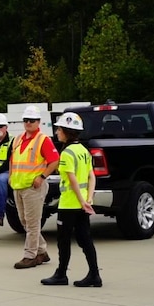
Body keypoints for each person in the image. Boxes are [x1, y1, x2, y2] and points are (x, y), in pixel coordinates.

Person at [41, 112, 102, 287]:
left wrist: (81, 201)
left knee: (64, 240)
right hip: (82, 204)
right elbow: (92, 177)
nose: (57, 132)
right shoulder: (84, 151)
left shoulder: (67, 153)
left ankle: (61, 274)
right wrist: (88, 199)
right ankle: (94, 274)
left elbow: (72, 179)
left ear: (67, 131)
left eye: (59, 129)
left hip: (69, 204)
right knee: (85, 239)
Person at [10, 105, 60, 269]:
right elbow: (13, 160)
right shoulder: (17, 139)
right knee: (25, 221)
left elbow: (54, 160)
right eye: (26, 120)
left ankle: (30, 255)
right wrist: (11, 176)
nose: (28, 123)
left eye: (32, 120)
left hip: (34, 186)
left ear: (38, 122)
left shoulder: (43, 139)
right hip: (19, 185)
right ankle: (41, 251)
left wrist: (42, 176)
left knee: (32, 223)